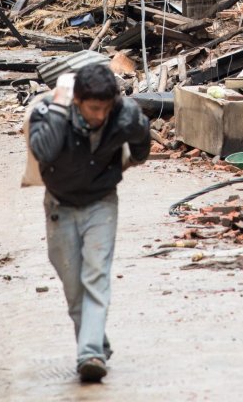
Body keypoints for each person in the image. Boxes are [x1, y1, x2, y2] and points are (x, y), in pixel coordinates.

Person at [29, 63, 150, 383]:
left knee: (95, 275)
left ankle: (90, 353)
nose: (100, 116)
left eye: (105, 108)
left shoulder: (123, 115)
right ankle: (96, 341)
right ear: (77, 100)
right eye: (93, 108)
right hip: (60, 206)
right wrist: (57, 106)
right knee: (73, 285)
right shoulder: (51, 112)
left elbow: (142, 138)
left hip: (101, 203)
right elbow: (43, 149)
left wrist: (132, 157)